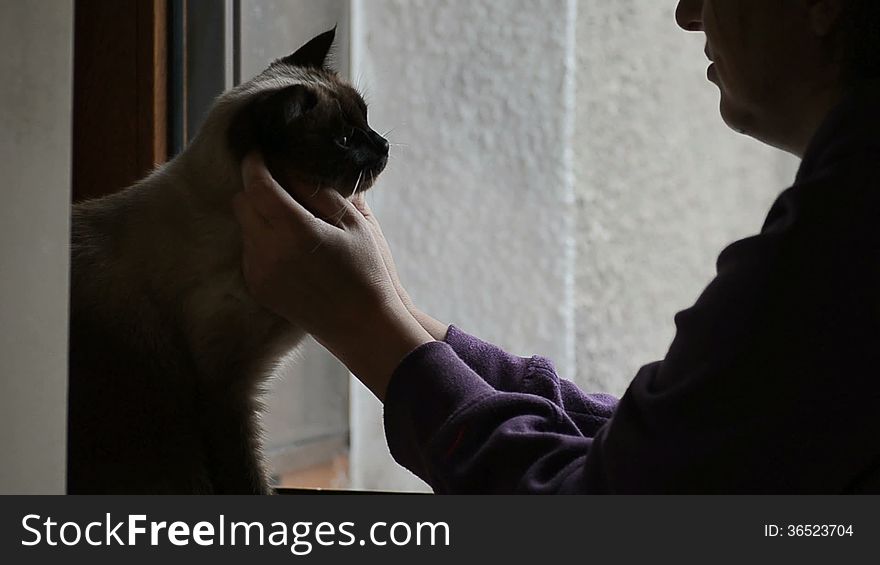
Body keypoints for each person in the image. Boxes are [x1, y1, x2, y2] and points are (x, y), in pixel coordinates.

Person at [232, 0, 880, 493]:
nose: (686, 13)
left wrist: (363, 324)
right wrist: (399, 312)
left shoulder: (835, 247)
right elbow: (670, 446)